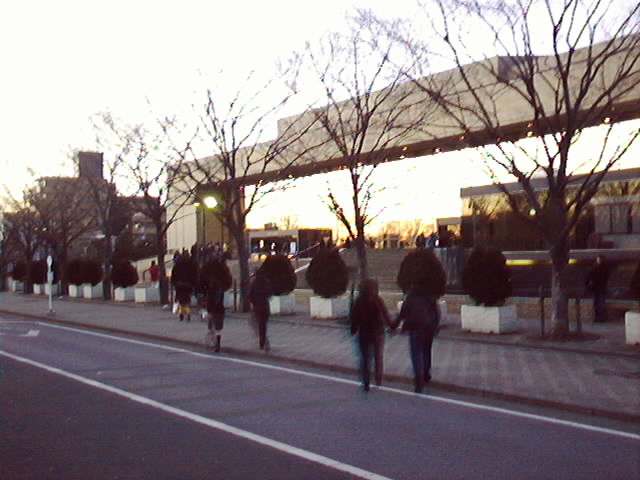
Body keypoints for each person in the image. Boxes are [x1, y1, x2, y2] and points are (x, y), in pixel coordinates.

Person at [391, 284, 441, 393]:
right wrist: (436, 326)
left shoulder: (411, 296)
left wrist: (393, 326)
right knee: (427, 350)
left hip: (415, 327)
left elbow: (402, 313)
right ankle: (426, 374)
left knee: (416, 353)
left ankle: (418, 378)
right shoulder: (430, 296)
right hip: (429, 328)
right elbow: (437, 313)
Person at [350, 279, 392, 392]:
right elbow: (385, 314)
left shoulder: (359, 301)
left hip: (364, 332)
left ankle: (366, 382)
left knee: (365, 358)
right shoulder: (377, 300)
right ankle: (378, 378)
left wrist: (353, 329)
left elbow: (354, 317)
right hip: (378, 332)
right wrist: (391, 326)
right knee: (378, 356)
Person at [248, 269, 274, 351]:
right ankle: (264, 340)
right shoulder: (266, 282)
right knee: (264, 325)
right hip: (265, 306)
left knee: (258, 324)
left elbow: (250, 296)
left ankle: (262, 341)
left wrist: (254, 302)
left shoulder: (254, 283)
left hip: (257, 306)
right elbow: (270, 293)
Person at [171, 254, 197, 322]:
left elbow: (174, 275)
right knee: (187, 300)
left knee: (181, 300)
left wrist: (174, 283)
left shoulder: (177, 265)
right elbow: (195, 275)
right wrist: (194, 284)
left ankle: (182, 313)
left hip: (179, 285)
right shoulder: (191, 265)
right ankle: (187, 312)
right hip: (189, 285)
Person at [585, 255, 610, 323]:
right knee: (597, 303)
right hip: (597, 288)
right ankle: (598, 317)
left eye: (600, 260)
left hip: (600, 288)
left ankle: (601, 318)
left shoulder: (602, 268)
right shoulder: (595, 267)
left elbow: (590, 277)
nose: (599, 261)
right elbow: (589, 276)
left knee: (600, 303)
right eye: (598, 260)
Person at [205, 276, 225, 352]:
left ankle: (213, 342)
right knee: (218, 329)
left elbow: (209, 302)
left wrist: (208, 310)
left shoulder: (210, 291)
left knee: (211, 327)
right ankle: (218, 344)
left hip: (212, 311)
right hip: (220, 311)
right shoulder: (221, 291)